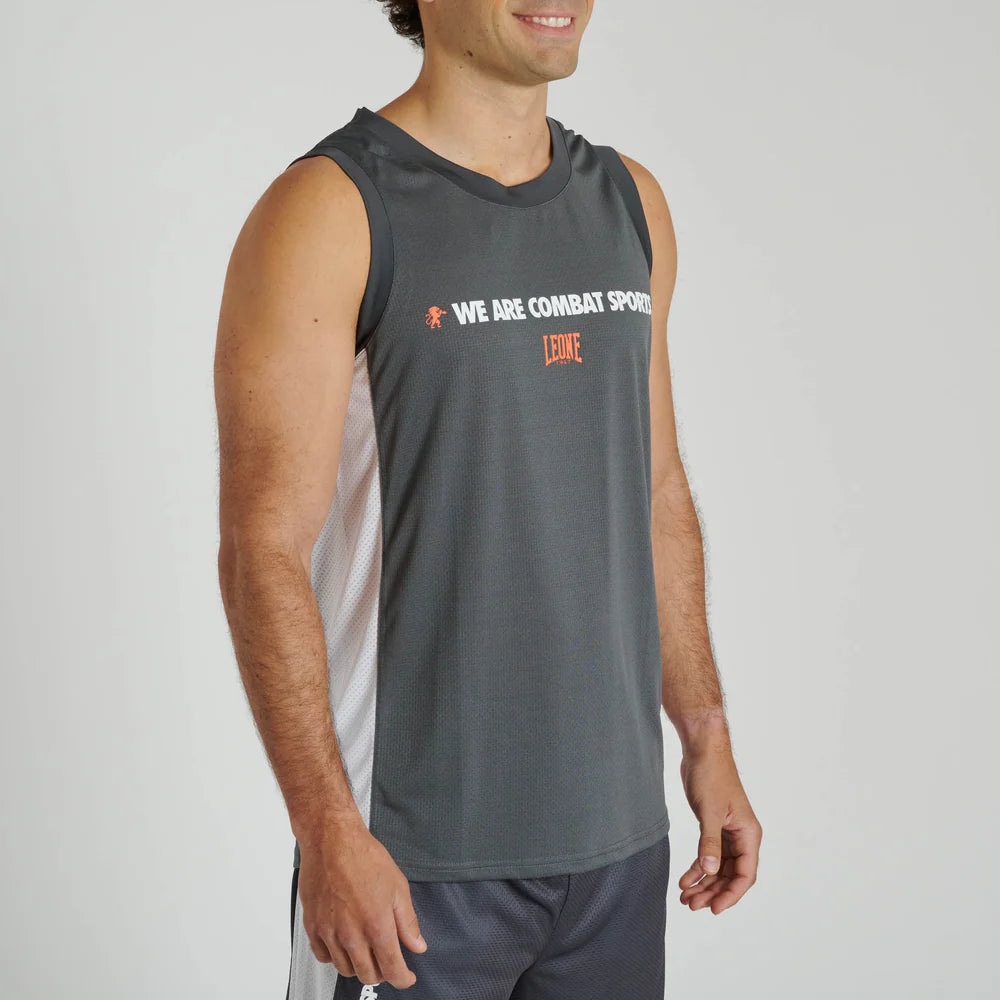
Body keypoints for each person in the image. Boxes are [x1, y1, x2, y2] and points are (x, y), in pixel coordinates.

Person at [214, 2, 762, 998]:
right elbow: (263, 546)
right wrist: (326, 830)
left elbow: (656, 490)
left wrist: (707, 737)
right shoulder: (331, 208)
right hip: (410, 860)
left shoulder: (630, 203)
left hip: (614, 849)